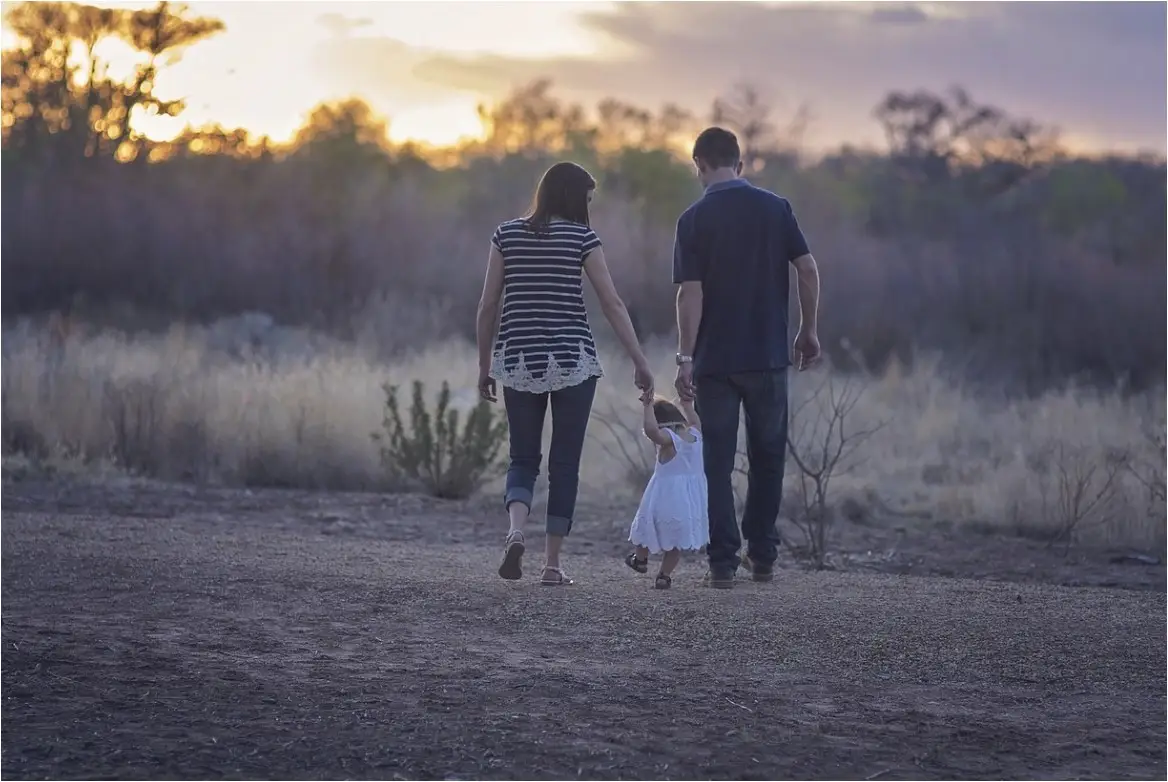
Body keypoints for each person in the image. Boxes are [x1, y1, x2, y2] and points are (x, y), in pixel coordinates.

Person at [475, 161, 654, 586]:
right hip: (573, 361)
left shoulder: (506, 235)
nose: (589, 208)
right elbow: (611, 304)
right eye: (588, 199)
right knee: (565, 463)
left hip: (518, 360)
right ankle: (552, 566)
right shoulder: (582, 238)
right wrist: (640, 360)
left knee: (522, 457)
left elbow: (487, 306)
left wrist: (485, 366)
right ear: (575, 198)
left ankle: (516, 531)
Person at [672, 127, 823, 590]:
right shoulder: (776, 209)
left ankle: (722, 563)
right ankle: (763, 556)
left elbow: (689, 293)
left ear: (699, 164)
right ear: (740, 163)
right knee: (768, 457)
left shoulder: (693, 219)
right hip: (767, 356)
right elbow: (808, 268)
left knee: (717, 461)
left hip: (716, 361)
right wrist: (808, 329)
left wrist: (685, 357)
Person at [624, 396, 709, 590]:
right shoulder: (696, 434)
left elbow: (652, 431)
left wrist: (647, 407)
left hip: (665, 497)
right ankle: (664, 576)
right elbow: (695, 421)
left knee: (646, 527)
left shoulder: (669, 440)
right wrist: (687, 405)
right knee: (675, 542)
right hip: (689, 502)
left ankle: (641, 559)